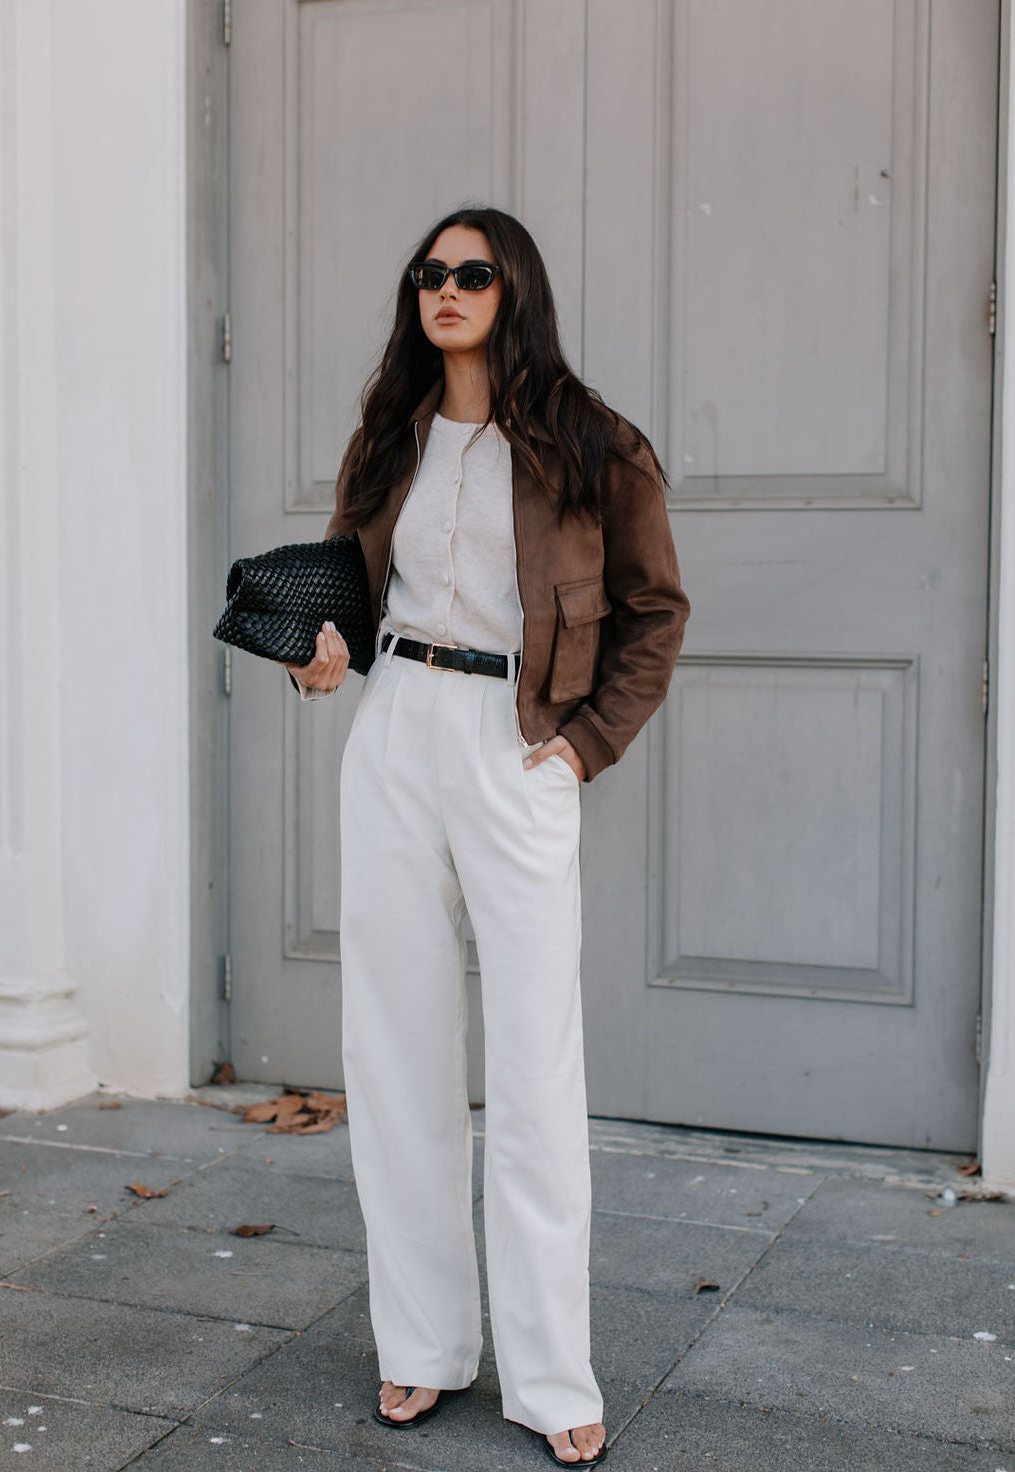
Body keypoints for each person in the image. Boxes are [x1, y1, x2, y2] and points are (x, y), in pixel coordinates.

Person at [284, 206, 689, 1466]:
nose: (444, 290)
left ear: (514, 289)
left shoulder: (591, 442)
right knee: (395, 1051)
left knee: (531, 1071)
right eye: (428, 274)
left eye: (470, 273)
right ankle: (420, 1345)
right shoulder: (391, 438)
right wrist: (326, 648)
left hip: (516, 746)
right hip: (399, 728)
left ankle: (552, 1373)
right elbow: (356, 588)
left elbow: (654, 611)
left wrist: (579, 748)